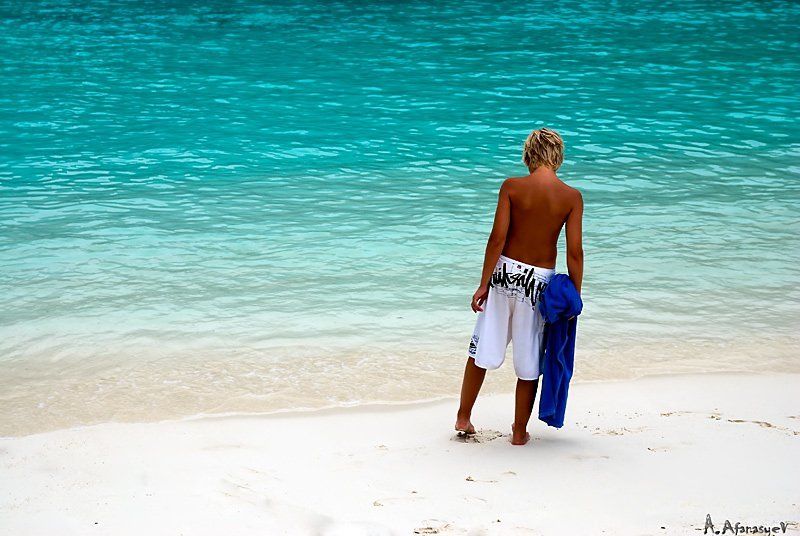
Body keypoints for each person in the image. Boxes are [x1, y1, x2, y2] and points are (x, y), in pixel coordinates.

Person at [455, 128, 584, 446]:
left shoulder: (512, 187)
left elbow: (497, 238)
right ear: (558, 157)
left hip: (503, 275)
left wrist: (483, 283)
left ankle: (464, 416)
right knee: (529, 360)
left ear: (529, 155)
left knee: (482, 347)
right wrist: (575, 297)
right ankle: (518, 430)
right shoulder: (571, 197)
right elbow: (575, 252)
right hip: (537, 283)